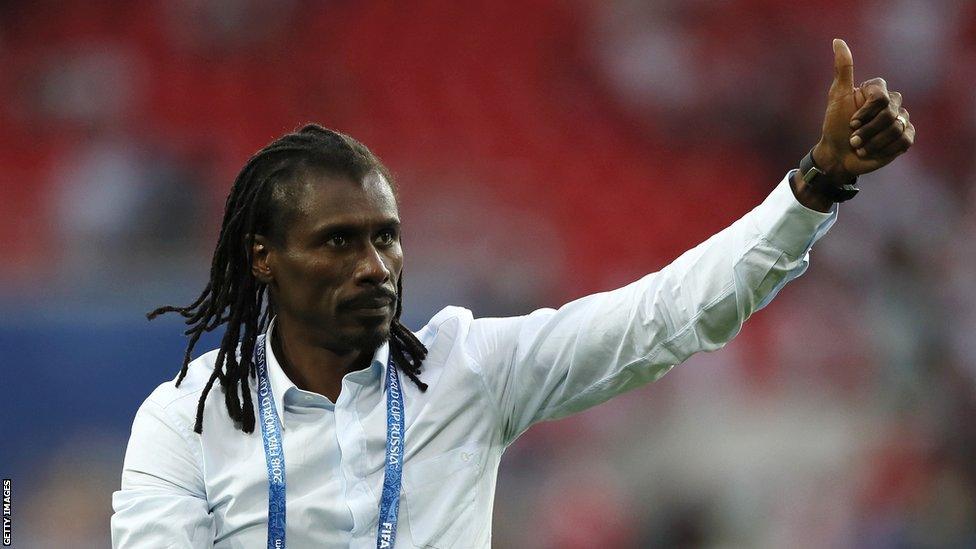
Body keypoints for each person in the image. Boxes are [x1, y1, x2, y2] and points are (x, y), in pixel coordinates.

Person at [111, 39, 914, 548]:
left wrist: (815, 186)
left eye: (385, 236)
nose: (374, 265)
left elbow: (665, 315)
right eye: (336, 241)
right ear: (263, 258)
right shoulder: (184, 421)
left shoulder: (470, 370)